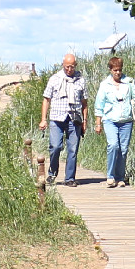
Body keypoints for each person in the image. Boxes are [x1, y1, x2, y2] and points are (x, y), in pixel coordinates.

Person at [95, 55, 135, 188]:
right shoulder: (104, 85)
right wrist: (98, 123)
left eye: (119, 70)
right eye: (115, 70)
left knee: (123, 149)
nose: (118, 72)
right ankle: (110, 176)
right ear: (110, 70)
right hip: (110, 119)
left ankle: (120, 177)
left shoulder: (129, 82)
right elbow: (99, 104)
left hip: (126, 120)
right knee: (113, 145)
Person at [40, 52, 89, 186]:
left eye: (72, 67)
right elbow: (46, 99)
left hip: (74, 118)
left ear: (75, 66)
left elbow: (84, 103)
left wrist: (85, 121)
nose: (69, 69)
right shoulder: (55, 79)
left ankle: (70, 178)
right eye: (67, 67)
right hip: (57, 117)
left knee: (73, 149)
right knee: (55, 147)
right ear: (63, 65)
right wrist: (43, 119)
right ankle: (52, 172)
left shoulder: (81, 80)